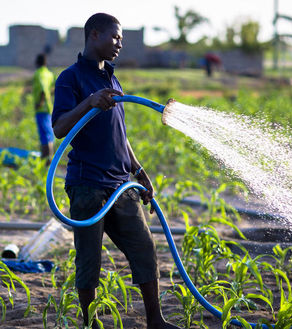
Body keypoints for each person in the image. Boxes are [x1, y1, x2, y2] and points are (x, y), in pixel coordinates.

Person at [51, 13, 180, 329]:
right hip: (87, 185)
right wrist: (90, 103)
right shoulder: (70, 78)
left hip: (121, 185)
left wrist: (139, 171)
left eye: (121, 38)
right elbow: (59, 127)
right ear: (94, 35)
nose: (120, 43)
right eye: (115, 37)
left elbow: (119, 133)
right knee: (89, 262)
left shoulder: (112, 78)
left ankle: (155, 321)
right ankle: (91, 323)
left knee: (145, 250)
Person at [32, 53, 55, 163]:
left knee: (44, 134)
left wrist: (40, 102)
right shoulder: (49, 74)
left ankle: (46, 160)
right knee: (49, 133)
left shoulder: (38, 74)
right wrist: (48, 97)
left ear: (37, 62)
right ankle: (48, 158)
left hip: (41, 108)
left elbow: (42, 88)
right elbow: (53, 88)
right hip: (49, 107)